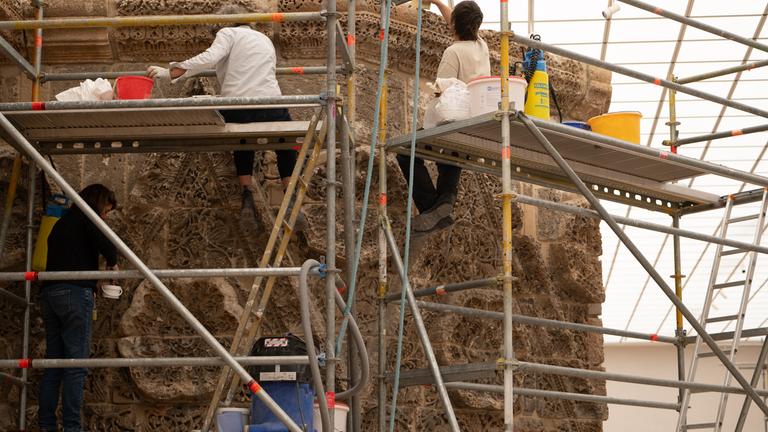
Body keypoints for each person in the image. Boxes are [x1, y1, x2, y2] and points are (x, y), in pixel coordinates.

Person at [147, 4, 307, 231]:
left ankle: (246, 195)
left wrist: (171, 72)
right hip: (271, 104)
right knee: (285, 140)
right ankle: (290, 195)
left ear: (222, 24)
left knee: (242, 139)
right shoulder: (264, 39)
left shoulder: (227, 32)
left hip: (239, 106)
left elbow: (210, 58)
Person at [397, 0, 490, 237]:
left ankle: (431, 206)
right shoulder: (481, 47)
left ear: (456, 24)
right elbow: (458, 22)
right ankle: (446, 197)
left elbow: (443, 89)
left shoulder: (453, 52)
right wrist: (438, 2)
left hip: (454, 120)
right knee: (451, 154)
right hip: (474, 123)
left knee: (406, 151)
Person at [39, 184, 118, 432]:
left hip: (50, 294)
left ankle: (47, 426)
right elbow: (110, 246)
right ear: (97, 203)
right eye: (105, 211)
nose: (104, 217)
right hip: (75, 293)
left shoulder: (62, 223)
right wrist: (112, 265)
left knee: (53, 365)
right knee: (76, 366)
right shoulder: (88, 217)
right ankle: (72, 428)